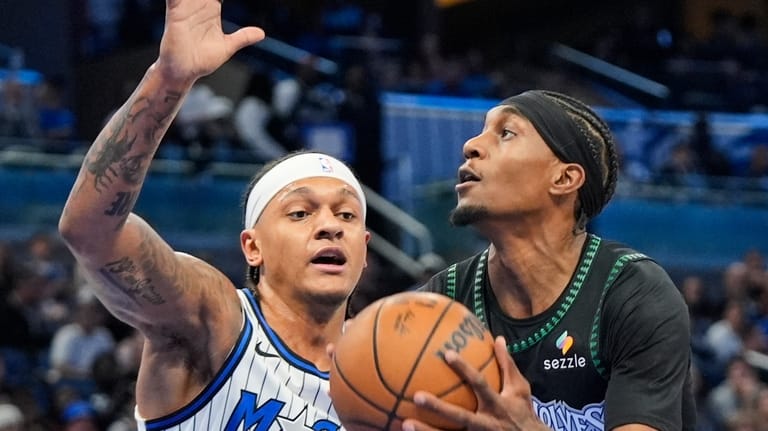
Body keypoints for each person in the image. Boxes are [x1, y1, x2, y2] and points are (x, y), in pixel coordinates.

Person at [58, 1, 369, 430]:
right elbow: (91, 231)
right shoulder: (214, 320)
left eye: (348, 216)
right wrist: (168, 79)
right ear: (252, 247)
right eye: (300, 212)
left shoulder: (390, 368)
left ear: (365, 250)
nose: (330, 225)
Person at [413, 90, 695, 430]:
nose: (471, 145)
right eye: (482, 130)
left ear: (564, 179)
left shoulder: (633, 294)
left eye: (506, 133)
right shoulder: (445, 300)